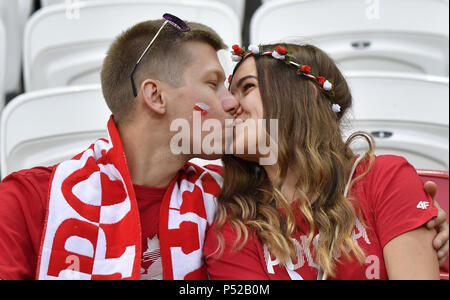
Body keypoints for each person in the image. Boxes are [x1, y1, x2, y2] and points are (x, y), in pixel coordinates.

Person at [0, 15, 241, 280]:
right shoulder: (25, 201)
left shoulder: (231, 200)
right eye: (212, 83)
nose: (232, 103)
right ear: (156, 96)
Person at [204, 43, 449, 280]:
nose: (230, 105)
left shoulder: (385, 178)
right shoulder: (233, 226)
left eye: (247, 87)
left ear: (302, 95)